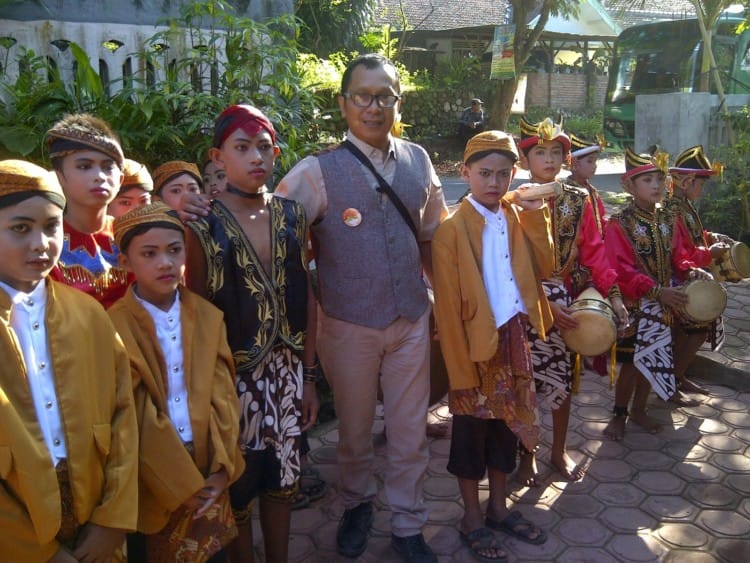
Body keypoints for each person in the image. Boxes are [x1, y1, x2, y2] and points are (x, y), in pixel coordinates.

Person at [275, 53, 448, 562]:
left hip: (411, 319)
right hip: (347, 324)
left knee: (409, 430)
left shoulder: (419, 160)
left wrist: (440, 306)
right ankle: (355, 504)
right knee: (352, 431)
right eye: (363, 97)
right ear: (344, 102)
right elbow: (277, 237)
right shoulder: (316, 172)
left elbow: (434, 235)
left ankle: (409, 523)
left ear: (398, 99)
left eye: (385, 96)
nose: (374, 107)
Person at [184, 103, 319, 563]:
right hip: (231, 380)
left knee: (283, 481)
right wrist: (206, 394)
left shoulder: (292, 215)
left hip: (286, 375)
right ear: (217, 157)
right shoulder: (201, 225)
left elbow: (308, 298)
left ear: (277, 152)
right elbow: (196, 313)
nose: (255, 157)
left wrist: (310, 376)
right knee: (238, 486)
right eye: (241, 147)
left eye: (264, 147)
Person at [0, 159, 138, 561]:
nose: (41, 243)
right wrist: (36, 551)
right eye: (20, 228)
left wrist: (112, 520)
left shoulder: (88, 313)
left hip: (97, 516)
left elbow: (122, 415)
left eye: (51, 226)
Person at [432, 131, 554, 562]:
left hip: (512, 338)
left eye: (503, 174)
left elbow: (547, 265)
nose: (494, 182)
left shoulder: (516, 216)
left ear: (514, 175)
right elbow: (446, 310)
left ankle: (499, 507)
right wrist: (459, 368)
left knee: (507, 427)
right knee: (470, 433)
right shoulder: (450, 231)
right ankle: (470, 516)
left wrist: (538, 217)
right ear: (464, 173)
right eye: (484, 173)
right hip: (472, 349)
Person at [108, 202, 245, 562]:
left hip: (208, 458)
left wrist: (221, 468)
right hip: (153, 474)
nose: (165, 263)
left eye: (174, 250)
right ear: (125, 262)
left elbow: (224, 397)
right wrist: (180, 484)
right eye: (149, 254)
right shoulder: (112, 327)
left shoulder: (207, 316)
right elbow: (133, 413)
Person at [515, 117, 629, 485]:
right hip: (522, 302)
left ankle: (558, 449)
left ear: (565, 159)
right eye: (539, 152)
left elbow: (595, 254)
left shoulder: (578, 200)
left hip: (565, 303)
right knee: (525, 383)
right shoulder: (512, 200)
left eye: (556, 152)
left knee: (562, 381)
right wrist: (539, 302)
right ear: (525, 160)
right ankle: (527, 453)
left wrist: (614, 297)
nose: (548, 159)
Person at [603, 148, 709, 440]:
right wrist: (654, 290)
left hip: (664, 302)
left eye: (659, 180)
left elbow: (679, 256)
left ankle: (639, 410)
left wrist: (689, 271)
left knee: (654, 356)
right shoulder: (620, 223)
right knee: (632, 363)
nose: (656, 186)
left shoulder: (667, 218)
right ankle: (619, 414)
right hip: (635, 304)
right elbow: (619, 270)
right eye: (647, 180)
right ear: (629, 186)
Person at [46, 112, 133, 308]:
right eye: (84, 166)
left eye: (108, 167)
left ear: (120, 179)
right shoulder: (45, 241)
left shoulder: (133, 235)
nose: (99, 176)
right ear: (59, 178)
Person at [665, 145, 730, 401]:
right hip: (676, 279)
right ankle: (672, 379)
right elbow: (678, 255)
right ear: (686, 182)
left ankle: (676, 376)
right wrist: (708, 255)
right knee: (695, 330)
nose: (701, 190)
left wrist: (710, 237)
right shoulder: (672, 210)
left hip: (690, 275)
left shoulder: (685, 206)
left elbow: (693, 237)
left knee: (692, 332)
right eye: (699, 184)